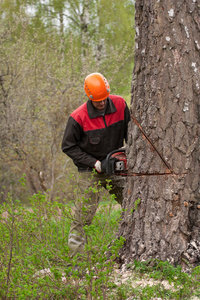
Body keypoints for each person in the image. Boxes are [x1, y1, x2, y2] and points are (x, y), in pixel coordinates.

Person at [61, 72, 130, 257]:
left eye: (104, 99)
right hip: (90, 170)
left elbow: (131, 134)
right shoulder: (78, 117)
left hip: (116, 166)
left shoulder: (121, 104)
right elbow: (68, 147)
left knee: (133, 203)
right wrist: (95, 163)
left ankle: (131, 248)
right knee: (83, 215)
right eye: (97, 100)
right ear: (89, 96)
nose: (101, 103)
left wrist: (127, 154)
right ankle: (77, 257)